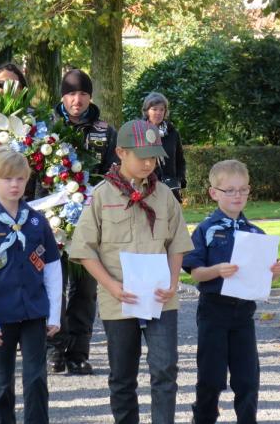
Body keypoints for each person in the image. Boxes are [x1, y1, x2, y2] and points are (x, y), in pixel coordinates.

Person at [69, 119, 194, 424]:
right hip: (119, 299)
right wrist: (110, 285)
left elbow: (177, 242)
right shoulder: (101, 196)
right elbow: (84, 249)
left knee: (165, 369)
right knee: (122, 375)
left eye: (153, 157)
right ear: (121, 152)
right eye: (142, 157)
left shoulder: (164, 195)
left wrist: (174, 281)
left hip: (160, 298)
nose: (149, 163)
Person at [182, 159, 280, 424]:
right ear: (214, 193)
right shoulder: (206, 230)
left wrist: (273, 272)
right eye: (229, 190)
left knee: (247, 377)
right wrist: (216, 270)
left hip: (243, 313)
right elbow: (195, 272)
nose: (237, 195)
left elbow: (261, 278)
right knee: (211, 377)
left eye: (243, 189)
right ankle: (203, 418)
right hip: (214, 309)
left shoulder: (256, 233)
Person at [0, 149, 62, 424]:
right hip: (0, 317)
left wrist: (54, 313)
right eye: (8, 179)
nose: (15, 185)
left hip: (34, 313)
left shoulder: (36, 222)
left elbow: (53, 269)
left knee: (36, 380)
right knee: (1, 383)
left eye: (20, 178)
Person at [47, 69, 118, 376]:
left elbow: (113, 173)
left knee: (86, 289)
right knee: (54, 286)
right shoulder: (46, 127)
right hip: (52, 219)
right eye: (72, 94)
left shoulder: (105, 130)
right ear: (63, 96)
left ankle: (79, 351)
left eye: (83, 94)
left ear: (90, 97)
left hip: (92, 218)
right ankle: (54, 349)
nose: (77, 100)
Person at [141, 92, 186, 203]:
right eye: (154, 109)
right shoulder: (138, 132)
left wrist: (179, 180)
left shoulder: (173, 133)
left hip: (169, 188)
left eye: (162, 109)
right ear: (147, 111)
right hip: (145, 186)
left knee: (170, 219)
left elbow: (180, 160)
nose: (158, 113)